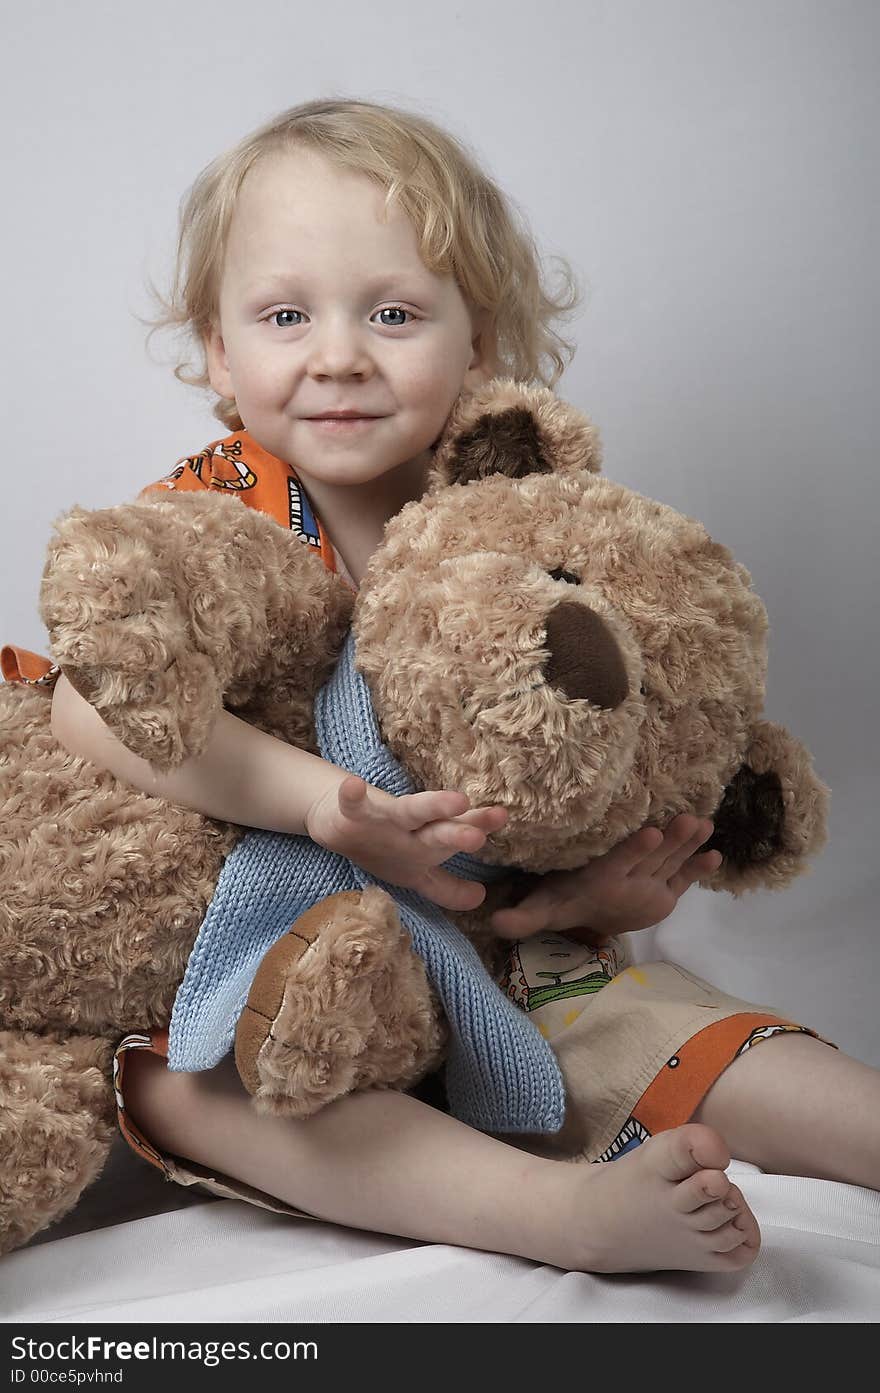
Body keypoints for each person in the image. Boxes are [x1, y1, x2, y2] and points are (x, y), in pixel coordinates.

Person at [45, 98, 880, 1275]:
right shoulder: (218, 512)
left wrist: (579, 896)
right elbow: (97, 704)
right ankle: (558, 1217)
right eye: (285, 316)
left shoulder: (510, 510)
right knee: (194, 1079)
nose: (337, 354)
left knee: (647, 1010)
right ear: (222, 350)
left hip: (479, 949)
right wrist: (324, 806)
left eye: (392, 313)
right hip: (269, 945)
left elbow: (557, 763)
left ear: (476, 343)